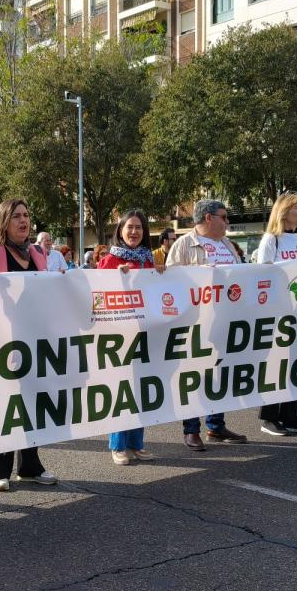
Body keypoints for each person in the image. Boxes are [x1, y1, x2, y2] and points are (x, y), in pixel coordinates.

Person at [0, 199, 60, 491]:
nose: (24, 221)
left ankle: (30, 466)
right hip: (2, 343)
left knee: (32, 403)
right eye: (16, 216)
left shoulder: (37, 252)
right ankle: (0, 470)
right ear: (4, 221)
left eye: (26, 215)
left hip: (34, 339)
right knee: (5, 405)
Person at [166, 199, 249, 450]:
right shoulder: (184, 244)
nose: (227, 222)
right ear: (208, 218)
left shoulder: (227, 245)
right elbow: (170, 281)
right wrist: (198, 275)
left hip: (224, 318)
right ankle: (191, 430)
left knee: (218, 373)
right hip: (195, 322)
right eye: (224, 217)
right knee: (194, 375)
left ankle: (216, 426)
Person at [98, 210, 164, 464]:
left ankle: (136, 444)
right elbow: (97, 292)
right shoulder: (109, 260)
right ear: (120, 230)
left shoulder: (149, 260)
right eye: (130, 227)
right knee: (121, 389)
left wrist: (162, 272)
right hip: (118, 335)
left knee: (141, 388)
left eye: (139, 227)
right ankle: (118, 445)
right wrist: (115, 278)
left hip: (145, 333)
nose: (134, 232)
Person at [255, 193, 297, 436]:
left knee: (296, 363)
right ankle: (269, 417)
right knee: (276, 364)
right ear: (284, 211)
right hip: (278, 311)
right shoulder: (271, 239)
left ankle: (291, 416)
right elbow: (263, 274)